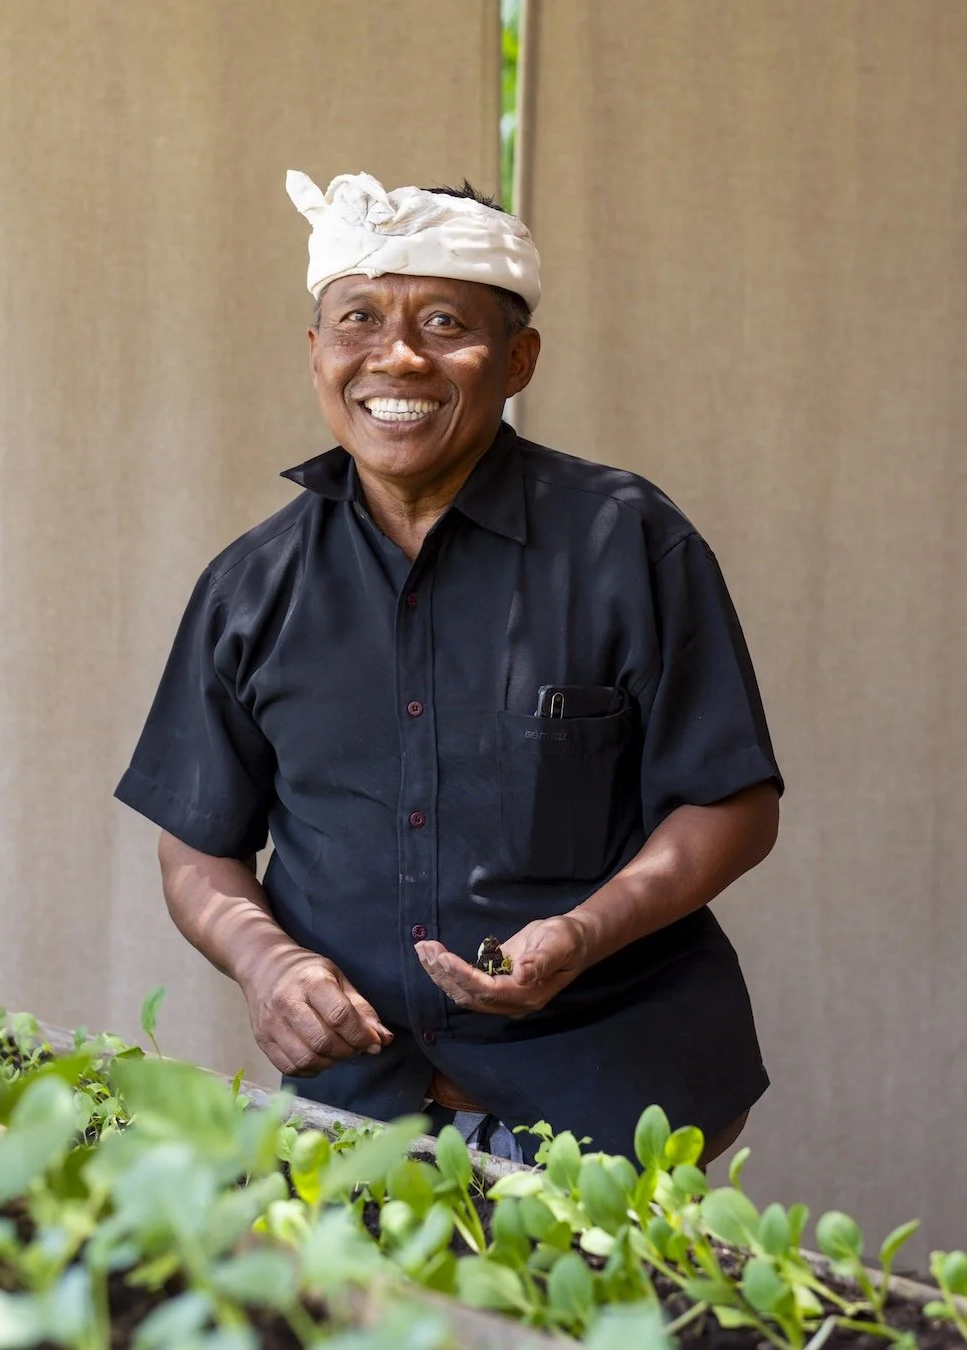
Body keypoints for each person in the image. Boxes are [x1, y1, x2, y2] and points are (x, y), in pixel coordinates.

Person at [115, 170, 783, 1166]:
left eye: (441, 321)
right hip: (357, 1118)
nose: (395, 355)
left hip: (614, 1099)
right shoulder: (250, 588)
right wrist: (266, 963)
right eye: (357, 319)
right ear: (314, 354)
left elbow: (731, 805)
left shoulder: (626, 542)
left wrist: (586, 932)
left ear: (517, 360)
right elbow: (197, 847)